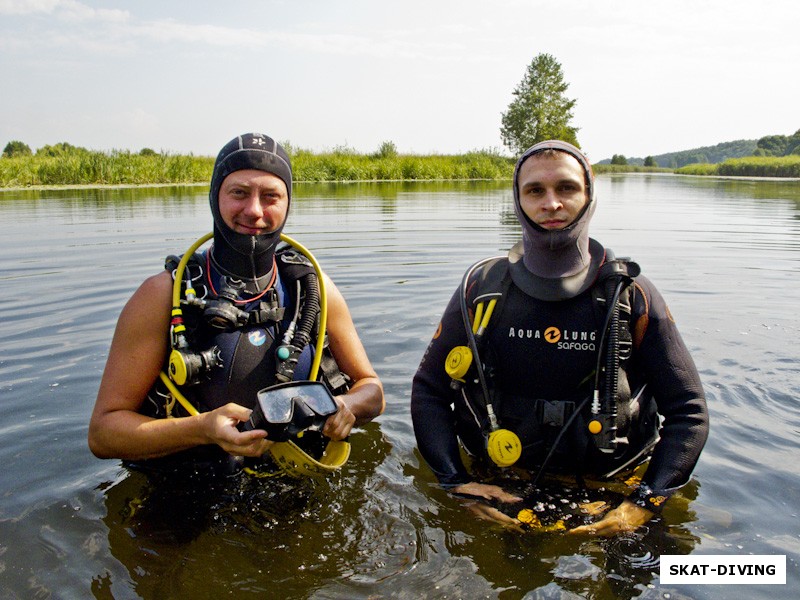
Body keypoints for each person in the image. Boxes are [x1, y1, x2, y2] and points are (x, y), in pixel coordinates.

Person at [411, 140, 708, 536]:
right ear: (518, 199)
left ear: (588, 194)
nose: (551, 203)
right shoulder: (481, 288)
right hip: (496, 485)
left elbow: (688, 410)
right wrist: (455, 484)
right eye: (535, 190)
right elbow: (429, 391)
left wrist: (645, 502)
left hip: (615, 489)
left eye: (566, 188)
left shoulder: (631, 295)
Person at [89, 132, 384, 475]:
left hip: (297, 479)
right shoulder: (162, 296)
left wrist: (346, 405)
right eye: (239, 193)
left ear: (288, 204)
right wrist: (201, 430)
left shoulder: (312, 288)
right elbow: (103, 434)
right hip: (186, 492)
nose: (254, 210)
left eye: (270, 196)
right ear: (216, 198)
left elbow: (373, 390)